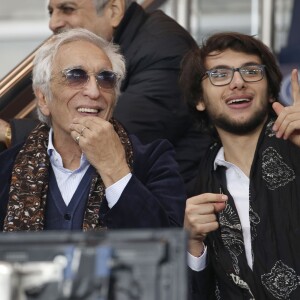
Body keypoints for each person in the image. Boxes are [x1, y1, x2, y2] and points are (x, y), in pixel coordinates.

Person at [0, 0, 211, 185]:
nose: (53, 23)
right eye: (51, 11)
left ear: (114, 10)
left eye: (67, 9)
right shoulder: (132, 42)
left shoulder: (165, 47)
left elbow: (111, 135)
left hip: (174, 207)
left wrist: (10, 132)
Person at [0, 28, 186, 232]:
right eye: (75, 76)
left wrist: (115, 170)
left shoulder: (153, 160)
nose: (94, 91)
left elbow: (167, 247)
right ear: (44, 98)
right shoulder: (6, 168)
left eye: (106, 78)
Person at [181, 32, 300, 299]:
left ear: (270, 91)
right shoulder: (199, 186)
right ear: (199, 99)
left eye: (251, 71)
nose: (238, 82)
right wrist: (192, 244)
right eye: (220, 75)